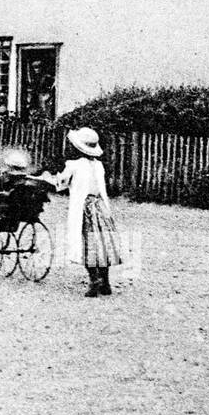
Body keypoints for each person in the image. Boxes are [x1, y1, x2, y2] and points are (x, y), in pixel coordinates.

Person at [53, 127, 122, 297]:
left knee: (86, 243)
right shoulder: (99, 165)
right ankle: (105, 281)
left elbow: (61, 184)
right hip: (100, 206)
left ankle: (93, 279)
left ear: (77, 148)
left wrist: (54, 178)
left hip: (85, 208)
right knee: (102, 243)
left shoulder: (73, 165)